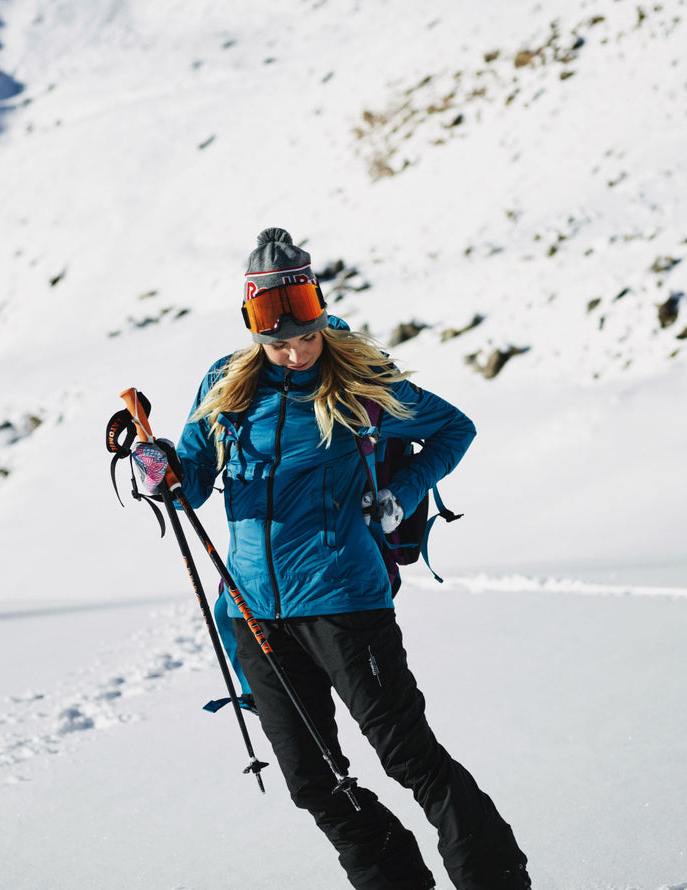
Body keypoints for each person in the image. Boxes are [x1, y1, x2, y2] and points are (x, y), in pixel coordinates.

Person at [147, 227, 530, 890]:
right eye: (279, 340)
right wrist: (164, 472)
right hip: (252, 614)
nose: (296, 351)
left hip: (345, 603)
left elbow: (452, 428)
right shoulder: (226, 385)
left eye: (306, 335)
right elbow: (197, 482)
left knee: (410, 759)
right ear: (254, 330)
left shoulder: (357, 380)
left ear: (321, 315)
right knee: (313, 783)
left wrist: (399, 492)